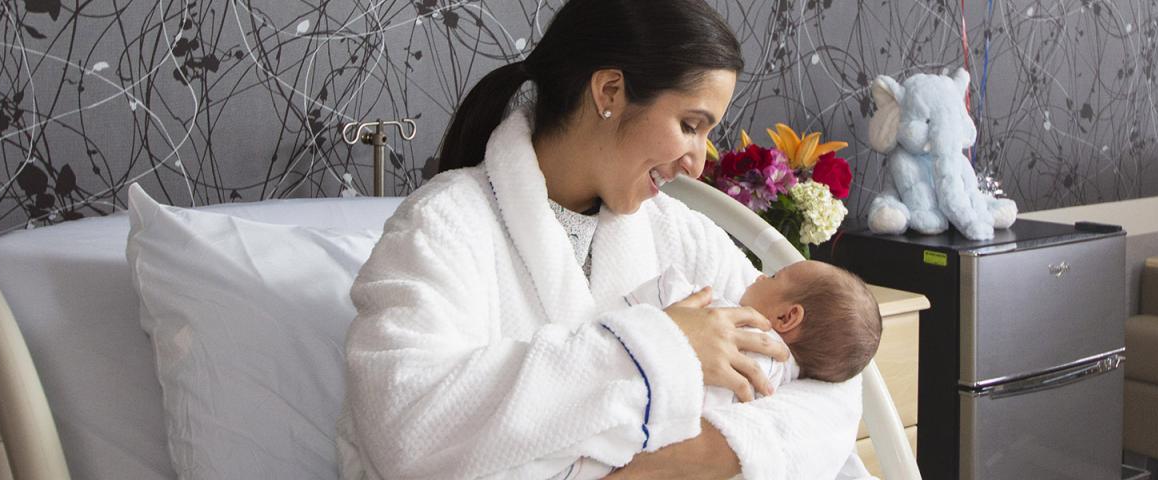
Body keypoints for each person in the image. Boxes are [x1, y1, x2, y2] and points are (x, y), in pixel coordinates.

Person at [336, 0, 863, 478]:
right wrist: (662, 349)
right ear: (608, 91)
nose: (699, 162)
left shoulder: (678, 233)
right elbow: (405, 426)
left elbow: (828, 380)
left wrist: (679, 462)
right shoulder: (444, 226)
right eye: (689, 124)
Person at [556, 261, 884, 479]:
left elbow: (659, 306)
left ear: (787, 318)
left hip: (627, 416)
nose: (757, 275)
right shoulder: (778, 383)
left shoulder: (733, 321)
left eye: (772, 277)